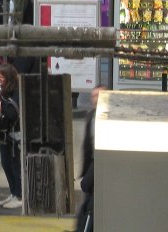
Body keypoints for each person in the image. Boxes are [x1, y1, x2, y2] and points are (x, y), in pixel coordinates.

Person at [0, 64, 22, 210]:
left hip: (14, 136)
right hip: (5, 136)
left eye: (2, 76)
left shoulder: (15, 93)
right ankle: (13, 192)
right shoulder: (2, 91)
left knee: (15, 165)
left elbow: (12, 113)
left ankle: (19, 195)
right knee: (6, 164)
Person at [77, 85, 104, 232]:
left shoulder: (108, 120)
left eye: (100, 95)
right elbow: (87, 147)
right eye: (94, 96)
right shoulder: (91, 116)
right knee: (88, 203)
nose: (97, 99)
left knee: (90, 206)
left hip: (100, 168)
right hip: (91, 166)